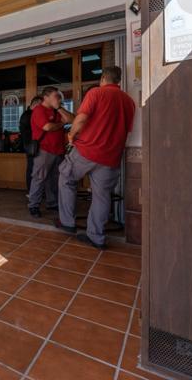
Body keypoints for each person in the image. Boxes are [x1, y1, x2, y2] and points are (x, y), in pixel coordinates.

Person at [57, 66, 136, 249]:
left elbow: (82, 118)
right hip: (111, 156)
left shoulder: (96, 93)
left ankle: (67, 222)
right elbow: (128, 129)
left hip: (87, 150)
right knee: (102, 196)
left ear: (102, 78)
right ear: (119, 80)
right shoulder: (129, 102)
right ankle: (96, 237)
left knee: (66, 177)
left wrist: (71, 135)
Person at [27, 87, 75, 217]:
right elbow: (47, 127)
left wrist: (59, 108)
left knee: (53, 179)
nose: (58, 98)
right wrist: (61, 124)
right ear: (46, 97)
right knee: (39, 178)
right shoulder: (39, 110)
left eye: (59, 96)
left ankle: (52, 203)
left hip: (58, 149)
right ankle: (33, 205)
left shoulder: (57, 110)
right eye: (56, 96)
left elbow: (72, 120)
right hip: (44, 150)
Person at [20, 95, 44, 196]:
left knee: (34, 169)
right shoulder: (27, 115)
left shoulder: (30, 114)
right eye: (41, 105)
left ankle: (35, 192)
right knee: (32, 169)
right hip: (31, 146)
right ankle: (31, 192)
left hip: (32, 145)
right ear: (36, 104)